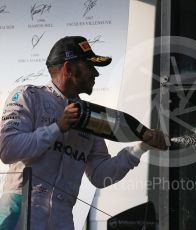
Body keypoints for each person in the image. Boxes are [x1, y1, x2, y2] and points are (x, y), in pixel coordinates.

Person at [0, 36, 167, 230]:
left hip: (61, 219)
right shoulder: (28, 96)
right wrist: (57, 128)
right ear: (69, 69)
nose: (95, 73)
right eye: (89, 66)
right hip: (22, 211)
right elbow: (7, 149)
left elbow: (99, 174)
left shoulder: (90, 115)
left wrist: (140, 147)